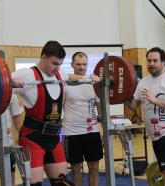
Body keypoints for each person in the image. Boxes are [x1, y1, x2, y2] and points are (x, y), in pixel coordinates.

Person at [12, 41, 100, 186]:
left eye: (60, 64)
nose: (57, 68)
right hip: (33, 138)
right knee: (34, 183)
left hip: (53, 138)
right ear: (43, 57)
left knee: (62, 182)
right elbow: (1, 84)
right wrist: (11, 82)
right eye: (54, 63)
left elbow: (71, 77)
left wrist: (91, 78)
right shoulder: (27, 74)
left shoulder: (60, 73)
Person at [130, 47, 165, 186]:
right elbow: (133, 105)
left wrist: (155, 100)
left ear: (163, 62)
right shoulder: (143, 82)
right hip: (155, 135)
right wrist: (122, 95)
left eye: (155, 60)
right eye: (149, 60)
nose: (151, 63)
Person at [62, 52, 103, 186]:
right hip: (72, 132)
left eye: (84, 64)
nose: (81, 67)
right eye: (78, 64)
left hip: (92, 131)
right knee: (75, 169)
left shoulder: (92, 83)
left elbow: (100, 108)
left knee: (94, 167)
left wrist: (101, 127)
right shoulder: (64, 84)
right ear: (72, 65)